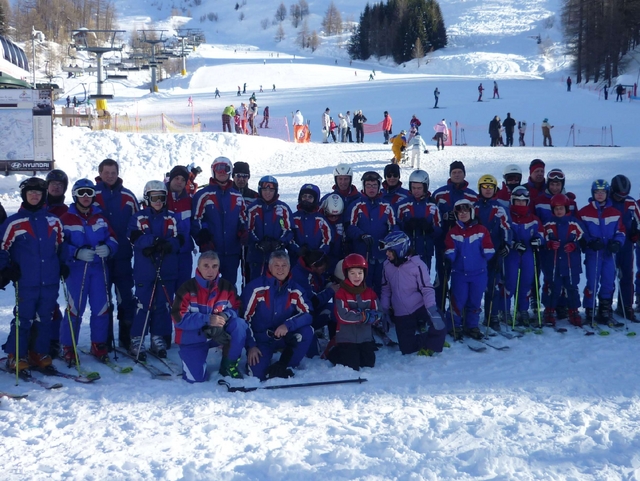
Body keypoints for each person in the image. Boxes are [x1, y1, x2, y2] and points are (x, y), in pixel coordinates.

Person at [0, 178, 64, 371]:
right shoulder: (14, 223)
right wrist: (6, 268)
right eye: (30, 193)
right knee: (24, 318)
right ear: (24, 196)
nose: (34, 196)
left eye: (38, 193)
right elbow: (2, 248)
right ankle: (16, 355)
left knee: (45, 317)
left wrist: (64, 265)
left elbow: (61, 246)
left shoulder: (54, 222)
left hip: (50, 279)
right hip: (26, 280)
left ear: (43, 196)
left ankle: (38, 352)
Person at [60, 179, 118, 365]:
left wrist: (109, 248)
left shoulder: (100, 218)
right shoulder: (66, 219)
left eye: (89, 193)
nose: (86, 197)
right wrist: (75, 253)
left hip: (98, 269)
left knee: (101, 307)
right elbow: (59, 245)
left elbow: (113, 239)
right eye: (82, 192)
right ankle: (68, 346)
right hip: (77, 269)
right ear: (75, 194)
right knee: (75, 308)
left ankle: (98, 343)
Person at [127, 180, 184, 360]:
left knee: (162, 305)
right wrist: (152, 242)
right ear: (147, 198)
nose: (158, 201)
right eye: (154, 198)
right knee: (143, 304)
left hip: (166, 269)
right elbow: (134, 237)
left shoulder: (172, 217)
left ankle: (157, 338)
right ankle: (137, 339)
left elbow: (180, 238)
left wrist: (168, 245)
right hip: (146, 269)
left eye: (161, 197)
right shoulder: (139, 217)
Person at [171, 251, 247, 382]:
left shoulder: (226, 287)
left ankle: (228, 364)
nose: (210, 270)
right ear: (198, 267)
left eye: (214, 266)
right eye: (206, 265)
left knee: (239, 325)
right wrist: (206, 319)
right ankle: (191, 359)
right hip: (192, 339)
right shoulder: (186, 288)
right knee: (195, 379)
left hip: (217, 334)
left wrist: (225, 315)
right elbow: (178, 319)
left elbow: (237, 308)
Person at [242, 251, 314, 380]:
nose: (280, 269)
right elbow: (244, 319)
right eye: (276, 265)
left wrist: (288, 325)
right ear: (269, 267)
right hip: (262, 339)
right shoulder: (256, 288)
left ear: (289, 267)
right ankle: (262, 362)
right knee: (257, 375)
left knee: (307, 331)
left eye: (284, 265)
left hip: (284, 337)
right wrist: (251, 346)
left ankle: (286, 365)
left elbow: (308, 313)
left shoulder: (295, 289)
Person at [94, 158, 139, 349]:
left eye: (113, 173)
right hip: (99, 258)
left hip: (122, 256)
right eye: (106, 173)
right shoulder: (92, 194)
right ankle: (104, 338)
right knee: (103, 299)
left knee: (125, 298)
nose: (110, 176)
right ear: (100, 174)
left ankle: (126, 336)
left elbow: (138, 222)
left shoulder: (128, 197)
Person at [380, 232, 447, 355]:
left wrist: (432, 309)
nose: (387, 254)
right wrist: (384, 310)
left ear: (399, 249)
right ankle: (427, 338)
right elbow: (386, 289)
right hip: (401, 312)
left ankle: (434, 343)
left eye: (390, 251)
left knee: (439, 322)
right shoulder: (387, 265)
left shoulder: (417, 265)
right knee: (406, 348)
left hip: (419, 306)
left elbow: (427, 288)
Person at [192, 156, 248, 286]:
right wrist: (202, 239)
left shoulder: (237, 196)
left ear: (230, 171)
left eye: (225, 169)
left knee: (229, 285)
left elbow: (242, 218)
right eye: (218, 169)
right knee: (208, 285)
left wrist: (243, 230)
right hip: (211, 250)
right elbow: (196, 220)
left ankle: (228, 306)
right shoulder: (203, 195)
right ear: (213, 171)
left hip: (231, 250)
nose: (222, 172)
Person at [444, 199, 495, 340]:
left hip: (479, 273)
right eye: (459, 212)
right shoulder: (453, 232)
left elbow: (489, 248)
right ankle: (454, 325)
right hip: (460, 273)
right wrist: (449, 256)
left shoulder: (481, 230)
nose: (463, 214)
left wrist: (489, 253)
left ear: (472, 212)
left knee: (475, 300)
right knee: (458, 300)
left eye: (466, 211)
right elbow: (450, 249)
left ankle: (472, 325)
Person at [577, 180, 626, 326]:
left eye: (603, 192)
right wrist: (590, 241)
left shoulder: (615, 213)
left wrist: (617, 242)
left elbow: (621, 231)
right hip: (594, 253)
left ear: (607, 193)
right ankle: (590, 309)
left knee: (608, 282)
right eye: (597, 192)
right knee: (592, 282)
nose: (600, 195)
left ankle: (605, 310)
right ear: (593, 193)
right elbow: (581, 231)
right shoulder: (584, 212)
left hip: (609, 254)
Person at [432, 161, 479, 310]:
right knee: (442, 276)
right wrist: (444, 216)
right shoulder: (440, 193)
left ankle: (460, 312)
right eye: (454, 173)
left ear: (464, 174)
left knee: (461, 279)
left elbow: (477, 219)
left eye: (459, 172)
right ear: (450, 174)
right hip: (443, 242)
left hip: (464, 244)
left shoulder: (472, 196)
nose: (457, 175)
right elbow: (432, 212)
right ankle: (439, 309)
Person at [346, 171, 397, 296]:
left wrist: (389, 240)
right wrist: (361, 235)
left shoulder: (387, 206)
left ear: (379, 186)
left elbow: (394, 226)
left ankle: (382, 311)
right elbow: (349, 226)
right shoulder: (356, 205)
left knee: (383, 286)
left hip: (382, 255)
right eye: (368, 185)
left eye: (374, 185)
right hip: (363, 254)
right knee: (364, 286)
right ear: (363, 186)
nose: (371, 189)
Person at [327, 253, 380, 370]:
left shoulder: (369, 292)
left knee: (369, 363)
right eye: (353, 273)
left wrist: (374, 317)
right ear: (346, 274)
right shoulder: (341, 293)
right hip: (347, 337)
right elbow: (343, 316)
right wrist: (363, 316)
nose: (357, 277)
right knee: (352, 365)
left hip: (365, 337)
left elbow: (378, 311)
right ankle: (334, 352)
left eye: (360, 273)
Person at [475, 175, 512, 330]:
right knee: (476, 286)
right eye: (485, 187)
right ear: (480, 188)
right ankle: (471, 315)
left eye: (491, 187)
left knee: (494, 285)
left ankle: (492, 315)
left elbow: (507, 228)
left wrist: (506, 244)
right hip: (476, 253)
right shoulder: (474, 207)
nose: (488, 190)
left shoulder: (499, 208)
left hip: (494, 253)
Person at [503, 186, 543, 328]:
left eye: (523, 201)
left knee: (526, 282)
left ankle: (522, 310)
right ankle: (506, 310)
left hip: (527, 254)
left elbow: (541, 233)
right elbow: (504, 233)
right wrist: (513, 243)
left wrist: (538, 240)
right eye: (517, 201)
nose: (520, 204)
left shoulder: (533, 219)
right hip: (512, 255)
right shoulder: (507, 217)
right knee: (510, 282)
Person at [542, 193, 584, 327]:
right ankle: (549, 310)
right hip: (554, 264)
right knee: (553, 287)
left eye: (561, 208)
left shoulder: (574, 223)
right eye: (556, 209)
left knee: (572, 287)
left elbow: (584, 240)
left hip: (571, 263)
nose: (559, 211)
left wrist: (574, 245)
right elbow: (542, 240)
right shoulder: (548, 224)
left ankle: (573, 310)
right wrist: (549, 244)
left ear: (566, 209)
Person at [246, 176, 293, 281]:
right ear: (260, 190)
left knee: (277, 286)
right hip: (256, 258)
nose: (268, 193)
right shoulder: (253, 209)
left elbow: (289, 230)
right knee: (256, 285)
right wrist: (257, 243)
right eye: (265, 189)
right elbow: (247, 229)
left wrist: (280, 242)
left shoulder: (283, 208)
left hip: (278, 258)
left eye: (271, 190)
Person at [44, 169, 70, 357]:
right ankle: (32, 340)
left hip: (53, 263)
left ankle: (53, 340)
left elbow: (67, 240)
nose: (55, 187)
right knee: (31, 304)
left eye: (60, 185)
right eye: (52, 184)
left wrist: (63, 261)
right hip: (33, 263)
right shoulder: (35, 205)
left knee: (51, 303)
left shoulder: (66, 212)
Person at [397, 170, 441, 270]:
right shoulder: (403, 205)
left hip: (425, 250)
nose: (416, 191)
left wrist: (430, 229)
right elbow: (396, 225)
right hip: (407, 251)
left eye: (419, 188)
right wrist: (405, 226)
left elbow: (439, 228)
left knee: (423, 280)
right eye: (413, 188)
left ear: (425, 187)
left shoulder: (432, 206)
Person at [609, 175, 639, 321]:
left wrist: (636, 232)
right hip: (610, 245)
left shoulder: (631, 202)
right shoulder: (606, 201)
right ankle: (605, 306)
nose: (621, 198)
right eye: (617, 195)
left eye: (624, 196)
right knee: (608, 277)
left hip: (626, 245)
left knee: (627, 275)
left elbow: (638, 220)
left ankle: (626, 306)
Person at [166, 165, 195, 289]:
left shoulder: (189, 201)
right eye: (177, 178)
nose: (179, 182)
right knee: (165, 293)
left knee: (183, 292)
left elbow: (195, 224)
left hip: (184, 253)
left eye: (183, 180)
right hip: (166, 253)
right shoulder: (160, 198)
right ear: (171, 179)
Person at [290, 184, 332, 260]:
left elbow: (328, 239)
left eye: (310, 197)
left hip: (317, 261)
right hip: (297, 260)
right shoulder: (294, 218)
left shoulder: (320, 219)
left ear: (315, 199)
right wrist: (297, 249)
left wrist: (320, 252)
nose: (306, 199)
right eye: (304, 196)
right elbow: (289, 237)